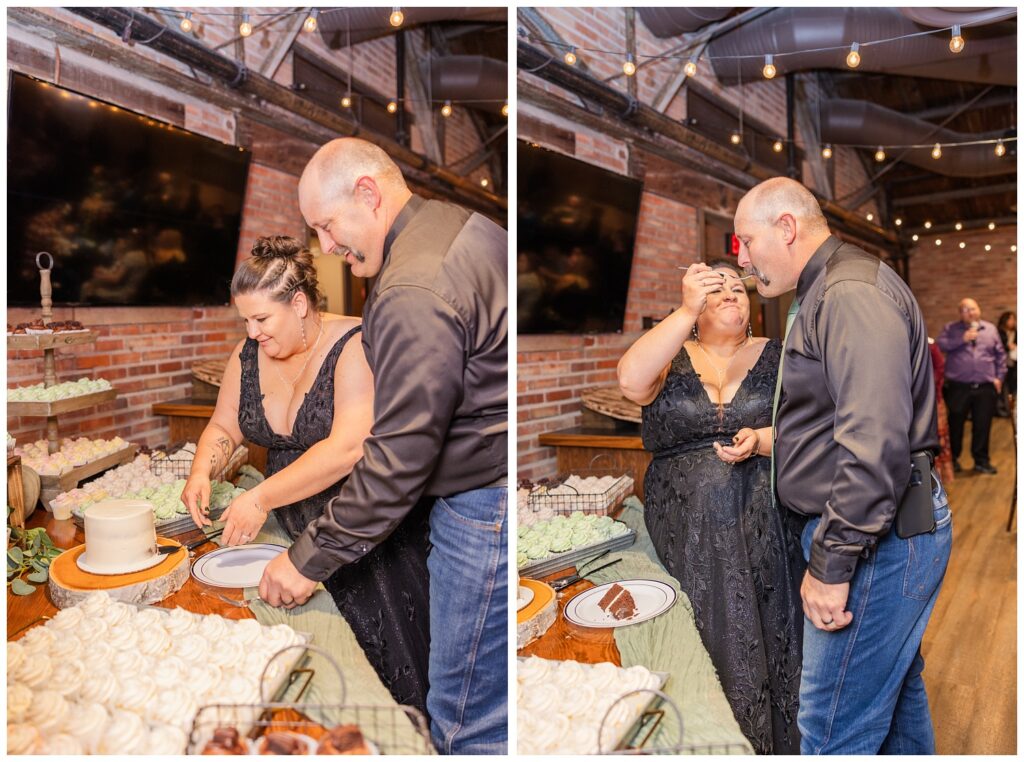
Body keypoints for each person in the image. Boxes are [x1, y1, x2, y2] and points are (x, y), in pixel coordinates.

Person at [262, 138, 507, 754]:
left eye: (326, 225)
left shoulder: (410, 286)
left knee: (463, 715)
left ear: (368, 193)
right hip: (494, 484)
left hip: (482, 506)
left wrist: (304, 560)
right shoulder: (462, 224)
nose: (325, 247)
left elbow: (399, 458)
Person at [735, 177, 952, 754]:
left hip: (877, 541)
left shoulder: (847, 292)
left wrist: (831, 563)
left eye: (745, 240)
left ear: (786, 228)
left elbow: (874, 444)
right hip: (878, 531)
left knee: (832, 730)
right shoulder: (825, 288)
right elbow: (837, 415)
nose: (742, 258)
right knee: (898, 704)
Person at [181, 236, 431, 717]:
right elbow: (224, 425)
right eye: (245, 321)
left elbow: (347, 448)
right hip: (286, 529)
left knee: (376, 678)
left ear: (298, 304)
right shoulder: (248, 354)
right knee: (300, 674)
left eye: (261, 319)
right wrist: (201, 471)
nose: (252, 333)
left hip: (358, 535)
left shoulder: (356, 344)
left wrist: (259, 498)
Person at [618, 261, 805, 754]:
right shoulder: (670, 353)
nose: (729, 294)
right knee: (696, 632)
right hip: (681, 529)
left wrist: (767, 439)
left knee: (766, 632)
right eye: (714, 287)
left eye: (737, 289)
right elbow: (629, 381)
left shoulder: (779, 355)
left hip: (763, 527)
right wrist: (684, 310)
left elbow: (817, 426)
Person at [936, 298, 1006, 474]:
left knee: (983, 425)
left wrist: (999, 377)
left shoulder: (990, 329)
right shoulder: (951, 329)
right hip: (959, 387)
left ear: (979, 309)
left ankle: (981, 461)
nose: (971, 312)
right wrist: (962, 339)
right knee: (956, 424)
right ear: (960, 314)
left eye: (973, 309)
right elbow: (939, 345)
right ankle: (954, 460)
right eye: (966, 310)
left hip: (985, 387)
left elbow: (1000, 355)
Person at [997, 311, 1016, 416]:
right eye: (1010, 319)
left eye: (1014, 319)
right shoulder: (999, 332)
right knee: (1003, 389)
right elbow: (997, 349)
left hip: (1013, 363)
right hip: (1002, 363)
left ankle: (1011, 409)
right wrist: (1007, 347)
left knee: (1012, 388)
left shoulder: (1015, 332)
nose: (1013, 322)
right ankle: (1003, 410)